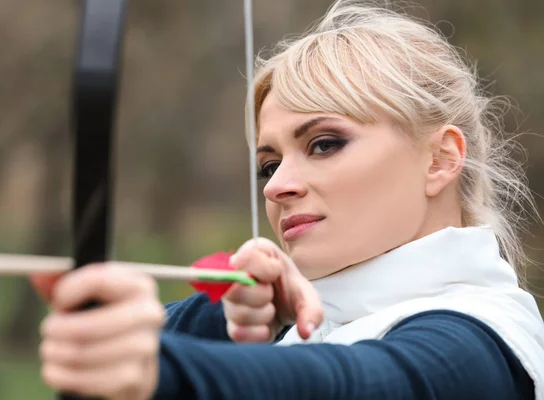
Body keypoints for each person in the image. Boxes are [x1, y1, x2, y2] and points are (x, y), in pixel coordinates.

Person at [30, 0, 544, 399]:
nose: (276, 187)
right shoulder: (305, 322)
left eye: (324, 143)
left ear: (440, 159)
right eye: (269, 165)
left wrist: (154, 368)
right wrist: (230, 318)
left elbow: (358, 384)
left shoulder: (485, 341)